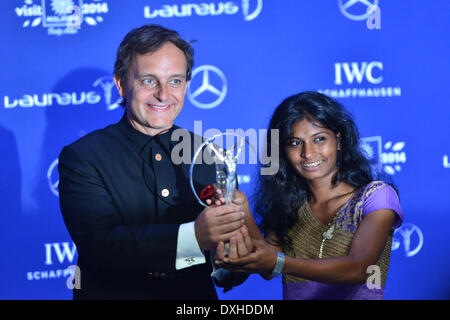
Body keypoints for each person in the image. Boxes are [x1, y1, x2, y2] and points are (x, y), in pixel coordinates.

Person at [58, 24, 248, 300]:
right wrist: (194, 236)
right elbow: (101, 247)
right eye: (148, 80)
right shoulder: (83, 157)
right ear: (121, 84)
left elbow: (228, 274)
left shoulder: (211, 155)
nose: (163, 94)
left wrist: (229, 260)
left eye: (175, 81)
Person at [213, 91, 404, 300]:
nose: (308, 153)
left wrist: (279, 262)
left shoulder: (377, 197)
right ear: (282, 150)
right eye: (295, 143)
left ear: (338, 140)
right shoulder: (287, 202)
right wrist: (244, 211)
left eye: (319, 139)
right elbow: (267, 268)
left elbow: (357, 269)